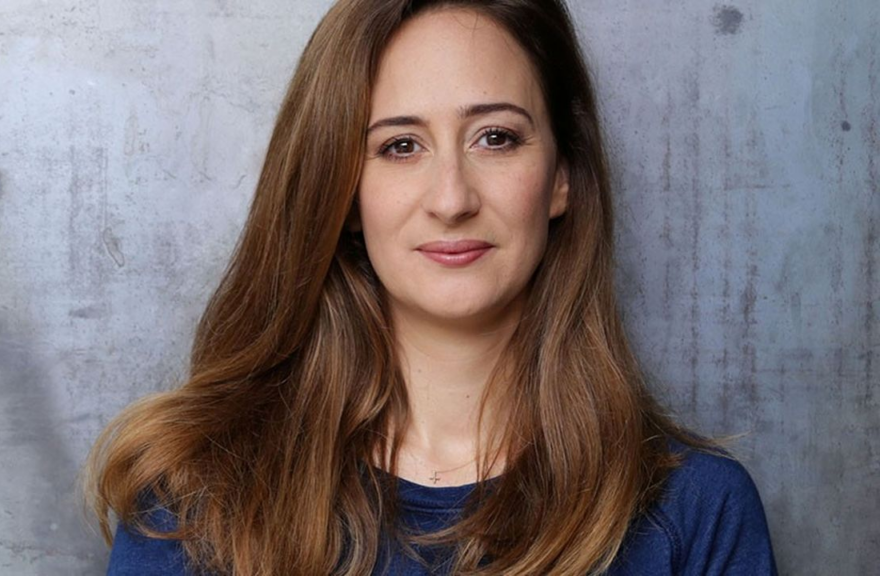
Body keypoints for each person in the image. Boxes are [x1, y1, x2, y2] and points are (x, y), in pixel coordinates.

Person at [84, 0, 779, 574]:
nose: (451, 199)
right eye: (400, 146)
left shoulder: (695, 510)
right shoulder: (193, 498)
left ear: (562, 175)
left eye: (496, 138)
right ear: (343, 194)